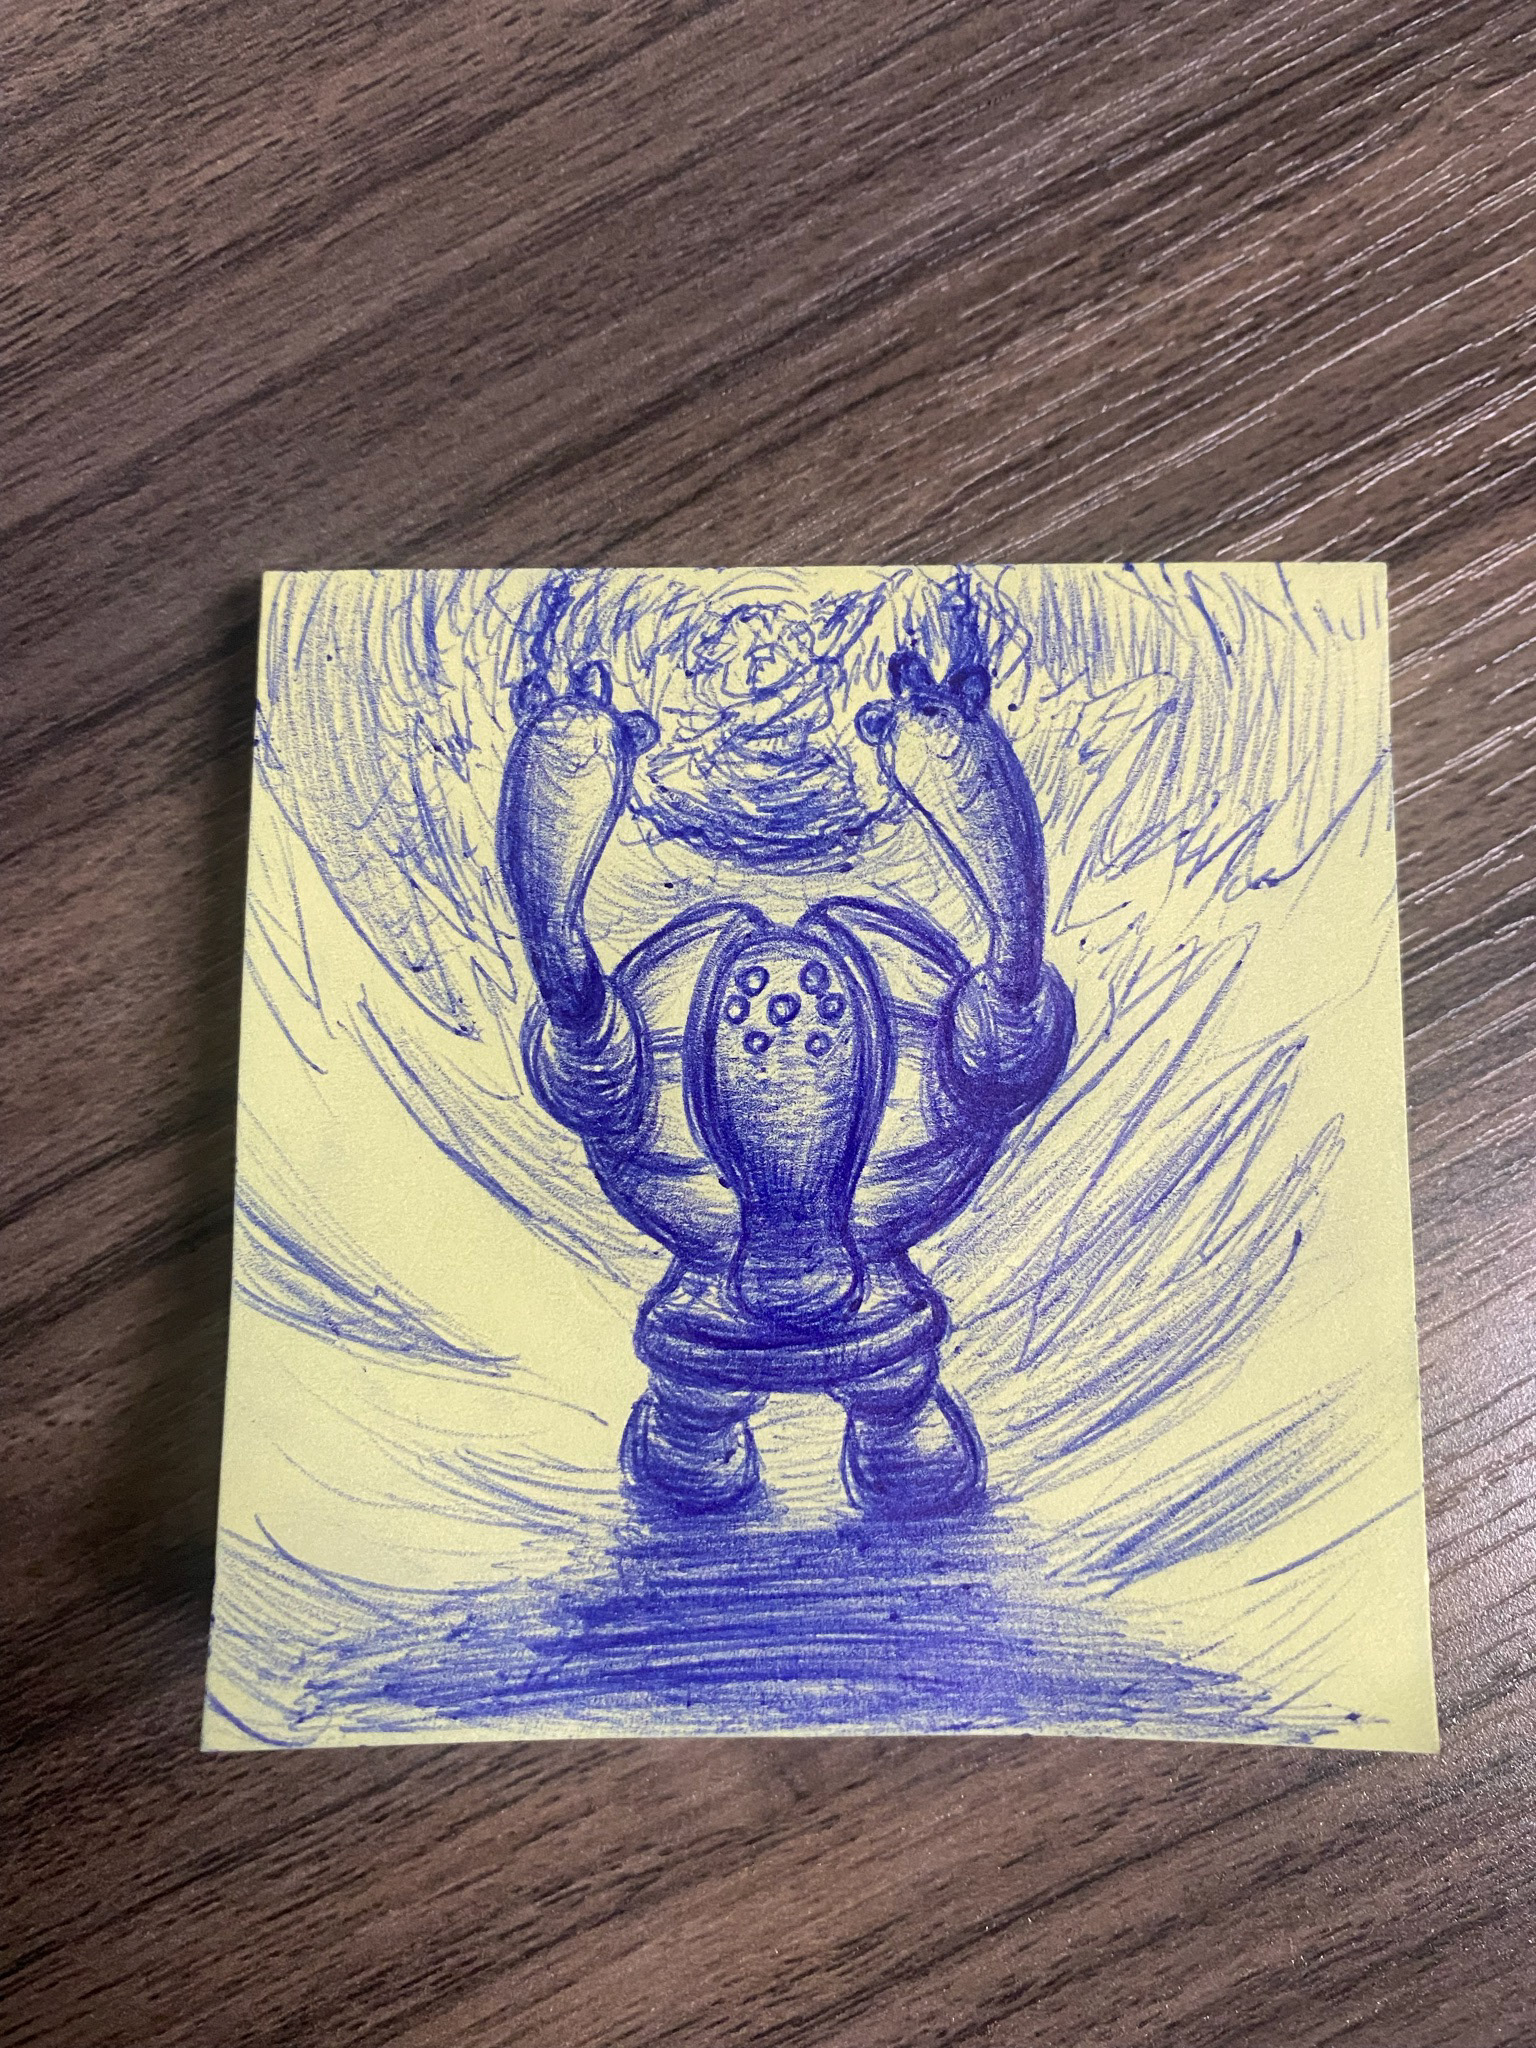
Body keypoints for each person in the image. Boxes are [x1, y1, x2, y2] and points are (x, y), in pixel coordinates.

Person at [497, 585, 1074, 1518]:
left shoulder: (691, 1074)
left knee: (741, 1430)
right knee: (831, 1428)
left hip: (803, 1319)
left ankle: (745, 1441)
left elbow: (1008, 1026)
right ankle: (819, 1440)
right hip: (772, 1320)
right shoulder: (902, 1058)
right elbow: (1005, 1031)